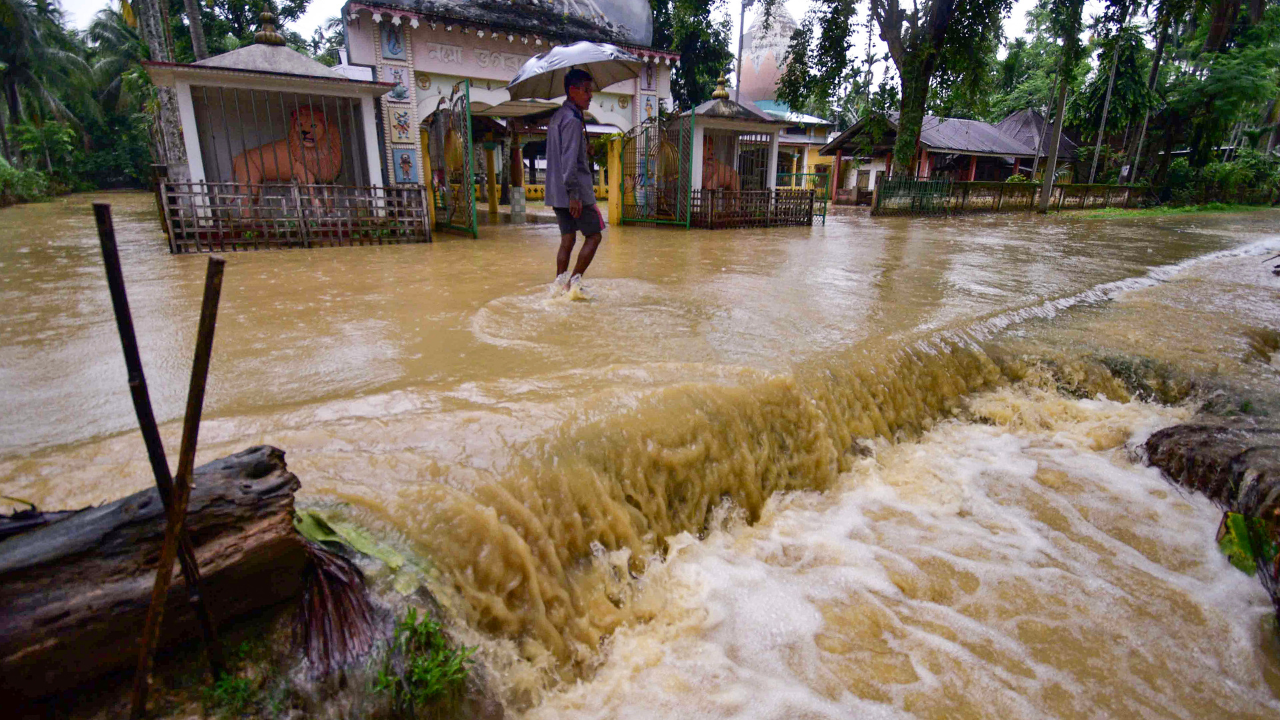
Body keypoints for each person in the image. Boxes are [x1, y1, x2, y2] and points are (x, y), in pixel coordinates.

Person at [545, 68, 605, 294]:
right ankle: (573, 283)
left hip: (556, 193)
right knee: (595, 235)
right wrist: (575, 196)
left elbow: (564, 154)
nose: (590, 96)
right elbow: (568, 162)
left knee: (567, 239)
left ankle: (559, 286)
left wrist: (584, 149)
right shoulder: (571, 121)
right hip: (574, 191)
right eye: (587, 90)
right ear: (572, 91)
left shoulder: (558, 118)